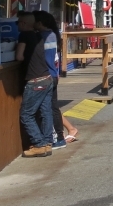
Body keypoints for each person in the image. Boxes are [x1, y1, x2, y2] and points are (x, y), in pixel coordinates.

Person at [33, 10, 79, 146]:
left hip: (45, 75)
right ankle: (62, 134)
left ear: (39, 23)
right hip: (53, 74)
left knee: (49, 108)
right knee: (53, 107)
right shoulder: (53, 35)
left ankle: (58, 137)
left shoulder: (41, 37)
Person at [15, 12, 53, 158]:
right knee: (46, 112)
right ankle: (47, 143)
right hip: (47, 77)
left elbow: (19, 56)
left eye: (18, 22)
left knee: (26, 114)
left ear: (23, 24)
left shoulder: (24, 36)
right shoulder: (38, 35)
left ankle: (38, 144)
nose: (17, 25)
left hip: (35, 80)